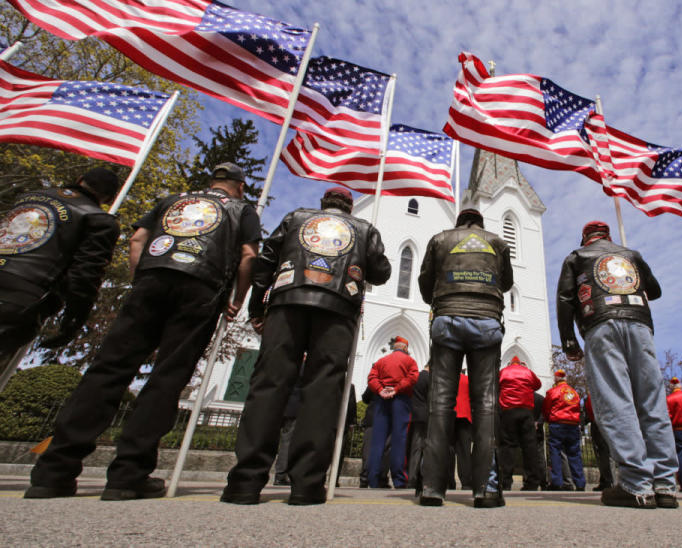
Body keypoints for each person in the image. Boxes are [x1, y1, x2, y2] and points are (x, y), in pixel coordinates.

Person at [27, 163, 260, 500]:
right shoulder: (241, 209)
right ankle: (128, 474)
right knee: (168, 377)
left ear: (213, 181)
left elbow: (138, 239)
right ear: (239, 186)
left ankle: (54, 471)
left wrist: (140, 281)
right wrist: (238, 299)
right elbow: (248, 256)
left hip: (152, 281)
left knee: (108, 369)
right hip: (201, 287)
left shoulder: (173, 201)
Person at [222, 186, 390, 505]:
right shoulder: (364, 229)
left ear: (323, 205)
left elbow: (264, 265)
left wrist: (258, 308)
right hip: (338, 310)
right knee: (323, 391)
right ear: (350, 209)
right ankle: (307, 484)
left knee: (269, 385)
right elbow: (381, 272)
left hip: (287, 304)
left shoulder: (295, 218)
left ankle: (245, 481)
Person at [557, 220, 679, 509]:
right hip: (640, 326)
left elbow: (565, 299)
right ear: (608, 237)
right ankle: (665, 484)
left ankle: (636, 483)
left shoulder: (577, 257)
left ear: (585, 238)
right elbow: (655, 290)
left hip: (601, 324)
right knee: (652, 400)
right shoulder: (631, 255)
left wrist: (568, 342)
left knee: (615, 399)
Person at [417, 207, 513, 508]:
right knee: (485, 405)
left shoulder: (441, 239)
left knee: (440, 404)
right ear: (481, 224)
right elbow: (506, 282)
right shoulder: (497, 242)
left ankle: (432, 488)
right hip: (487, 322)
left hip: (447, 320)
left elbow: (424, 281)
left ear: (459, 222)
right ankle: (486, 490)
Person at [0, 168, 121, 381]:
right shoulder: (99, 220)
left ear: (79, 179)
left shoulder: (27, 198)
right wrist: (74, 318)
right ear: (110, 198)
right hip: (21, 298)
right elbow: (85, 275)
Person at [366, 336, 418, 488]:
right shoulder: (410, 361)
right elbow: (413, 377)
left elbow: (371, 377)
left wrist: (380, 389)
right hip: (400, 400)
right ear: (405, 348)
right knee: (399, 439)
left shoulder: (381, 361)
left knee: (377, 441)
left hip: (382, 399)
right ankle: (399, 479)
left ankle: (373, 478)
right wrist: (397, 388)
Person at [498, 356, 542, 491]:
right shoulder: (527, 372)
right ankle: (532, 482)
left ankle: (505, 481)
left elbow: (497, 385)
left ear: (510, 363)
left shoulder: (504, 371)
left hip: (508, 411)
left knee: (508, 446)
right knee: (529, 446)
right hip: (526, 411)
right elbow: (537, 385)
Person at [542, 370, 586, 491]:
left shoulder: (553, 391)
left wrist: (547, 419)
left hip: (558, 424)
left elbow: (546, 408)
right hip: (572, 424)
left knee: (556, 452)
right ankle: (580, 483)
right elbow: (578, 408)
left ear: (556, 378)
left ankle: (557, 481)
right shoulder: (574, 392)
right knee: (574, 454)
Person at [408, 362, 431, 491]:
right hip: (425, 415)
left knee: (415, 447)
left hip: (415, 414)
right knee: (421, 447)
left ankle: (412, 477)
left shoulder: (416, 376)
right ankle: (414, 478)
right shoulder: (428, 378)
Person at [585, 394, 613, 491]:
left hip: (599, 423)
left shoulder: (593, 395)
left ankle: (607, 480)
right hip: (611, 422)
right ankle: (609, 479)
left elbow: (590, 408)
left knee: (602, 453)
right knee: (610, 453)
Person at [451, 370, 473, 490]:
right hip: (465, 415)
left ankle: (449, 481)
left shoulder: (448, 379)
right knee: (464, 451)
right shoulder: (467, 380)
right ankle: (466, 482)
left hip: (450, 414)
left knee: (449, 449)